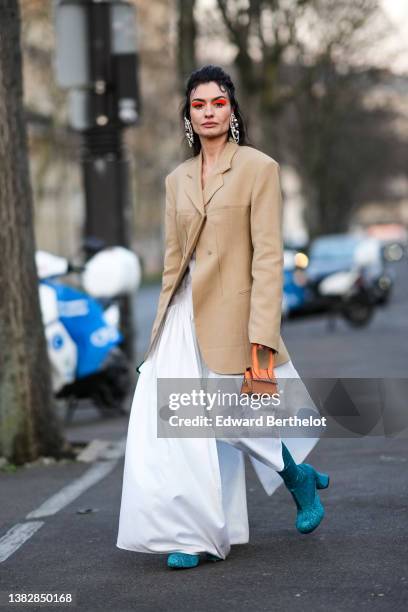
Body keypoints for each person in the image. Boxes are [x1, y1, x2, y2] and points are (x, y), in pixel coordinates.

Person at [116, 65, 330, 570]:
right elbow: (173, 261)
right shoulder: (176, 180)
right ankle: (190, 533)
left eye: (217, 102)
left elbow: (268, 259)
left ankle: (295, 473)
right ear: (188, 115)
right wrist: (156, 336)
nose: (208, 111)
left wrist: (263, 338)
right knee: (174, 425)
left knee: (228, 419)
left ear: (232, 110)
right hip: (181, 317)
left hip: (235, 314)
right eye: (198, 104)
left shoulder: (259, 168)